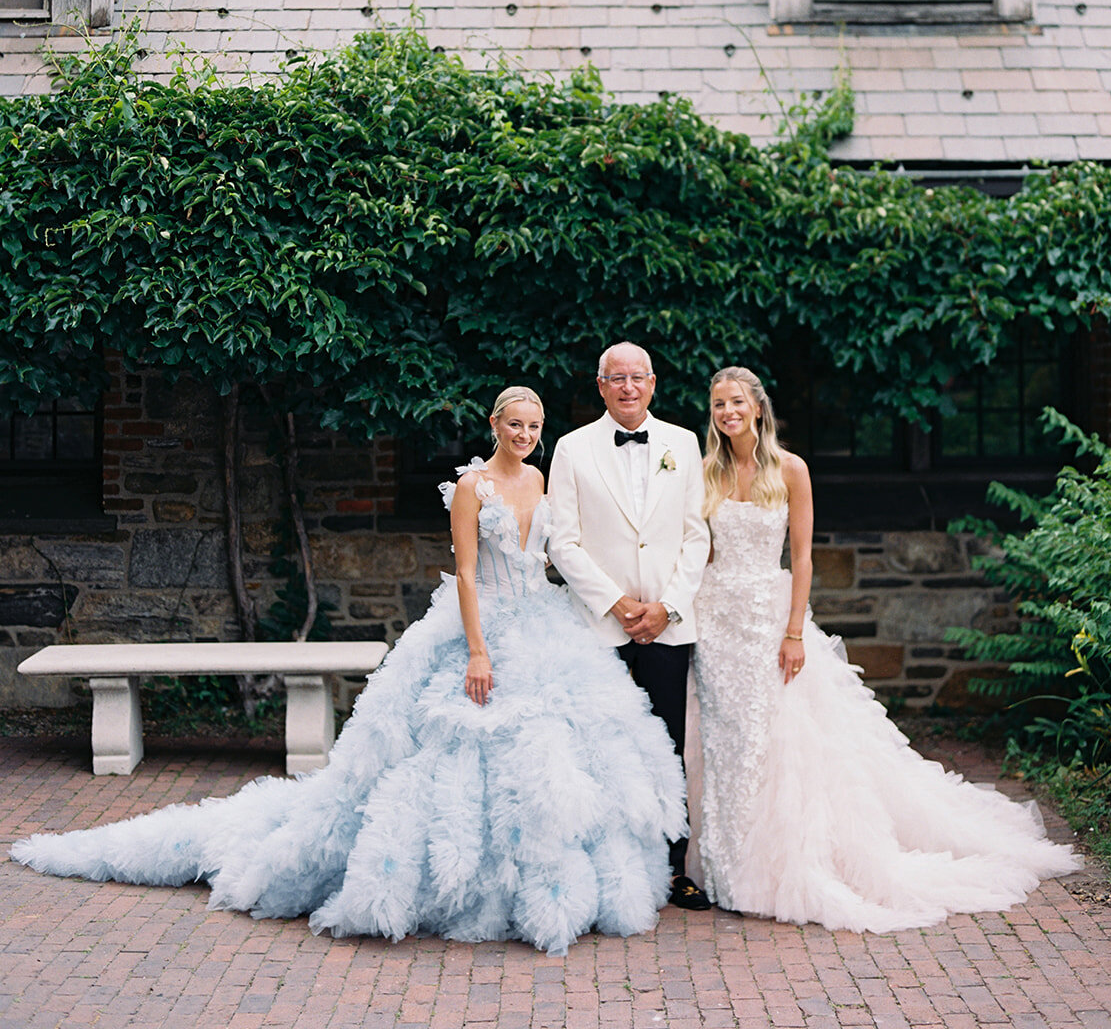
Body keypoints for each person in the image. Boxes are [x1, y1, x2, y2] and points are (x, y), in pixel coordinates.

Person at [11, 387, 686, 957]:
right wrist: (478, 652)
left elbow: (552, 557)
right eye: (515, 425)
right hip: (486, 629)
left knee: (562, 758)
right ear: (494, 426)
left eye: (535, 427)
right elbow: (469, 577)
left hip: (543, 630)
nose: (526, 436)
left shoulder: (540, 480)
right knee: (448, 754)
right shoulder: (471, 489)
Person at [689, 365, 1080, 931]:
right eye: (718, 405)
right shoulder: (704, 473)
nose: (727, 413)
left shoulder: (790, 469)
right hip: (717, 623)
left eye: (736, 403)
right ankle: (725, 865)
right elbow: (698, 551)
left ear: (757, 407)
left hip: (769, 620)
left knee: (778, 741)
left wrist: (794, 631)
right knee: (725, 743)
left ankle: (775, 866)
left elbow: (801, 559)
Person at [548, 341, 712, 910]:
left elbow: (696, 536)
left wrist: (666, 606)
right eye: (615, 378)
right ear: (600, 386)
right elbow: (562, 541)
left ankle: (674, 870)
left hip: (667, 625)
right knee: (601, 750)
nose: (627, 387)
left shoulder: (684, 444)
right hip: (601, 628)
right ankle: (607, 873)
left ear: (653, 382)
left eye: (636, 377)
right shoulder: (570, 449)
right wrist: (617, 604)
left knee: (668, 747)